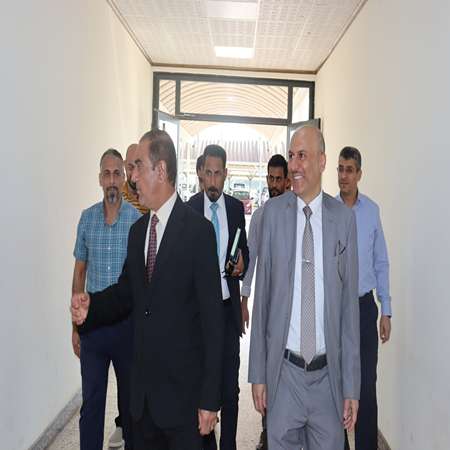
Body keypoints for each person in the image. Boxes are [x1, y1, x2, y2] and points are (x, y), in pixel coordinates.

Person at [71, 129, 224, 450]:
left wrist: (210, 399)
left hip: (183, 403)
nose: (133, 177)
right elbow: (126, 292)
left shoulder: (198, 232)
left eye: (138, 166)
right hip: (141, 405)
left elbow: (213, 322)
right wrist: (91, 306)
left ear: (161, 170)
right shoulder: (138, 231)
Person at [249, 126, 360, 450]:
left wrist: (351, 386)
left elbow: (349, 311)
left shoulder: (343, 220)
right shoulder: (271, 216)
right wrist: (258, 373)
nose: (294, 165)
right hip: (285, 375)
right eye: (291, 156)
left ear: (322, 161)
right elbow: (262, 300)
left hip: (328, 379)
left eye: (302, 156)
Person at [72, 148, 140, 450]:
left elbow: (142, 281)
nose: (112, 180)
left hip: (127, 328)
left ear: (124, 178)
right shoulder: (87, 219)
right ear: (100, 179)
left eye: (117, 174)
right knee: (91, 404)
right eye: (107, 174)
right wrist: (75, 325)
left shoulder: (137, 221)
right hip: (93, 329)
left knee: (131, 407)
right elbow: (79, 273)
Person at [187, 144, 249, 450]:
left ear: (226, 174)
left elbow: (244, 250)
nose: (212, 181)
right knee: (200, 387)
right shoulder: (188, 209)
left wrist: (242, 264)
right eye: (207, 173)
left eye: (217, 174)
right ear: (200, 173)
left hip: (226, 312)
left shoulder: (236, 209)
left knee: (229, 390)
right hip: (196, 314)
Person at [337, 146, 392, 450]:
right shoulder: (328, 211)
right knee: (335, 384)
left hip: (363, 306)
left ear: (359, 174)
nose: (343, 176)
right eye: (340, 169)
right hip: (335, 308)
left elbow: (381, 261)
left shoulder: (371, 211)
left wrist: (387, 309)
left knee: (366, 386)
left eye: (349, 170)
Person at [240, 154, 289, 450]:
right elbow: (251, 259)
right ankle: (267, 431)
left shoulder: (297, 213)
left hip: (293, 310)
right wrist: (244, 300)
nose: (273, 184)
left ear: (287, 180)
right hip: (267, 308)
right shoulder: (259, 217)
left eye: (278, 179)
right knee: (268, 371)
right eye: (270, 178)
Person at [122, 143, 150, 214]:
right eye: (130, 168)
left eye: (139, 168)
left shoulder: (151, 195)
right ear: (124, 165)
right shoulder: (117, 195)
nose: (134, 175)